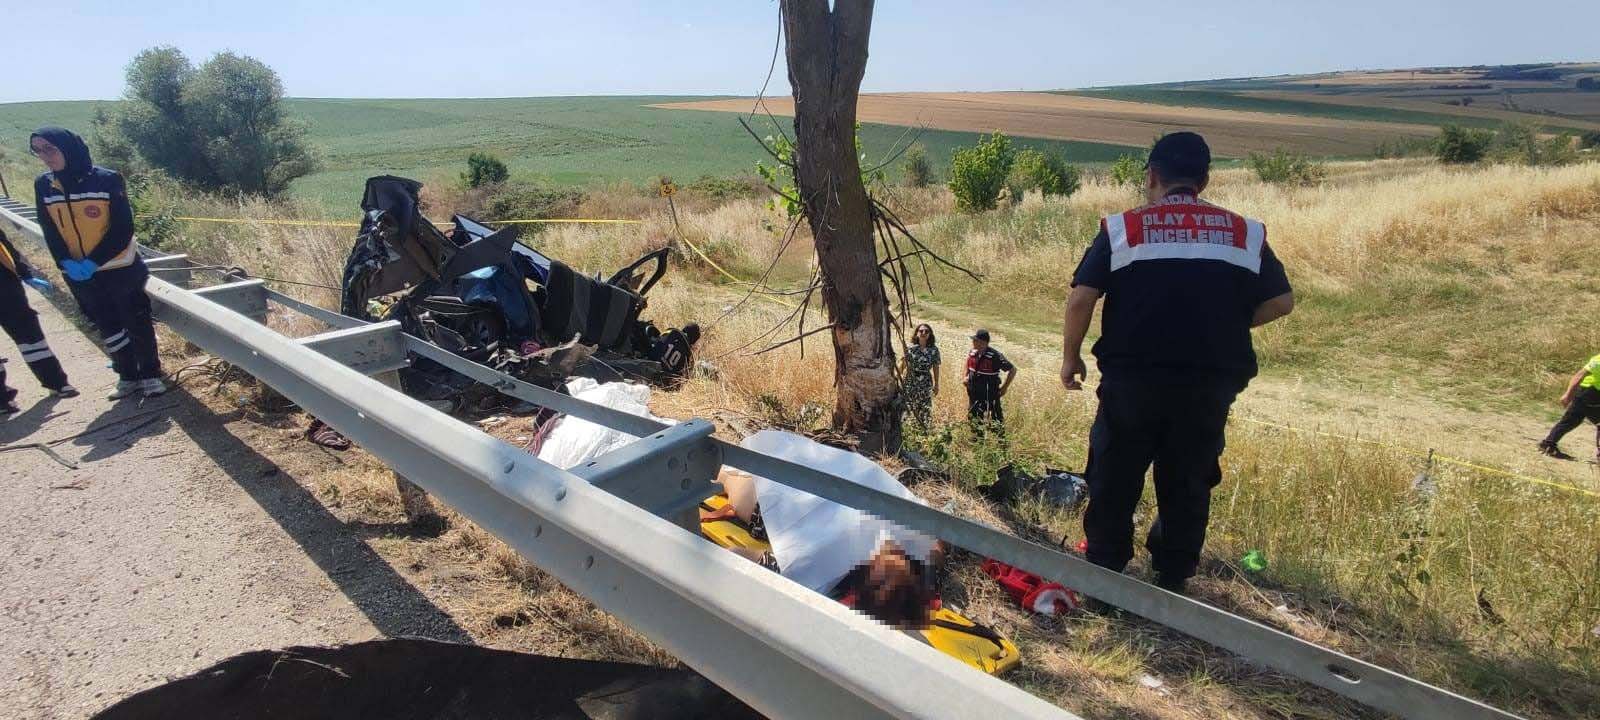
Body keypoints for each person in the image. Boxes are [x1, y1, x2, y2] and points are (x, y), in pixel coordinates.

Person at [1060, 131, 1294, 595]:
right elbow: (1281, 301)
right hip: (1208, 385)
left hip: (1133, 381)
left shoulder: (1124, 228)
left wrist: (1071, 357)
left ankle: (1105, 573)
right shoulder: (1244, 233)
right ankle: (1171, 576)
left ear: (1153, 176)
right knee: (1188, 478)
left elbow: (1082, 297)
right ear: (1204, 180)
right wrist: (1229, 323)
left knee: (1115, 472)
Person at [701, 430, 941, 629]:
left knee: (733, 475)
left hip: (795, 497)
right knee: (738, 473)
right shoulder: (917, 544)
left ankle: (710, 461)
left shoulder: (824, 570)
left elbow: (743, 558)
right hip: (812, 487)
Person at [30, 127, 166, 400]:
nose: (45, 156)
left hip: (119, 268)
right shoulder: (44, 185)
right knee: (107, 325)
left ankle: (151, 374)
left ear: (67, 148)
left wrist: (93, 262)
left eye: (50, 149)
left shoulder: (106, 179)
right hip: (78, 272)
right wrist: (65, 262)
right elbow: (49, 229)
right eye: (38, 151)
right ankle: (127, 376)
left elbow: (122, 227)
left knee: (135, 321)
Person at [1, 227, 77, 414]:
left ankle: (56, 382)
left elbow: (4, 246)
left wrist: (24, 272)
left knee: (30, 336)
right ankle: (2, 400)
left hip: (5, 285)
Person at [1537, 353, 1600, 462]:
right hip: (1589, 393)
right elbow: (1579, 375)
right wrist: (1568, 394)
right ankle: (1548, 444)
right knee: (1571, 421)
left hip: (1587, 394)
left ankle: (1548, 444)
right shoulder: (1598, 360)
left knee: (1570, 421)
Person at [964, 329, 1015, 433]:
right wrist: (965, 376)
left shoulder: (995, 356)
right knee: (973, 416)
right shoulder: (972, 352)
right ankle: (976, 439)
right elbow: (968, 363)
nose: (973, 342)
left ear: (983, 342)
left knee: (996, 418)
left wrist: (1004, 388)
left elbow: (1012, 370)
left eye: (975, 340)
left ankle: (1000, 440)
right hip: (974, 392)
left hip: (990, 392)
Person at [900, 323, 941, 427]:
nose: (923, 333)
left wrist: (936, 384)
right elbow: (903, 365)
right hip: (910, 381)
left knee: (925, 407)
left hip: (925, 382)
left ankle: (923, 430)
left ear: (930, 334)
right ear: (916, 333)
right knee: (908, 406)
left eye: (926, 331)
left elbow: (936, 367)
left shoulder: (934, 350)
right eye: (921, 331)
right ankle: (907, 429)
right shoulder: (911, 348)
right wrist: (896, 378)